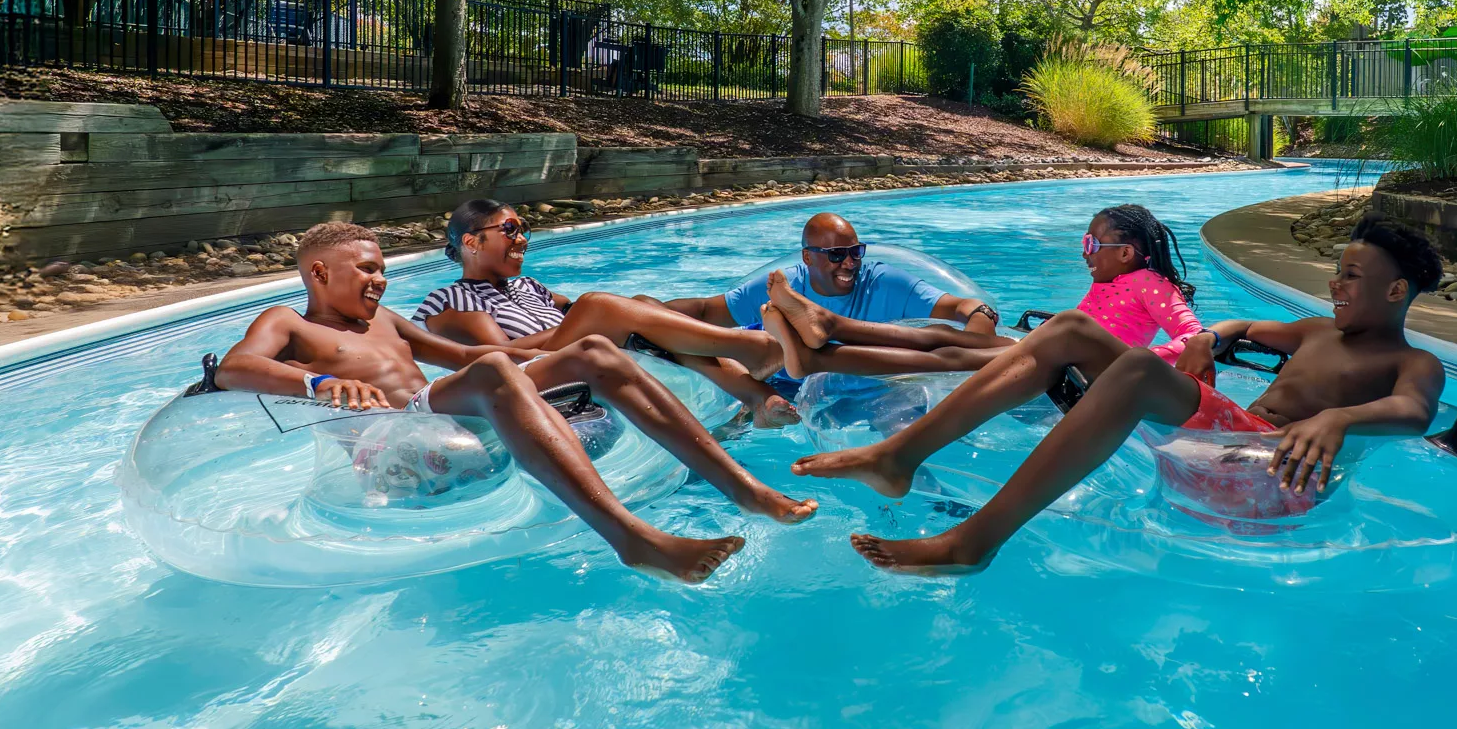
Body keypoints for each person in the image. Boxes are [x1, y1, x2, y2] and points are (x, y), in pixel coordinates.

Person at [791, 213, 1447, 574]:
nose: (1336, 286)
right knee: (1072, 328)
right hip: (1221, 444)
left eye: (1352, 277)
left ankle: (975, 540)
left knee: (1133, 368)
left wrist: (1339, 418)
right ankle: (899, 456)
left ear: (1396, 292)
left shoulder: (1411, 362)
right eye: (1336, 273)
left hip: (1272, 482)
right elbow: (1243, 325)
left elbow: (1413, 414)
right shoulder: (1313, 330)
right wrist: (1211, 338)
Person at [215, 221, 816, 584]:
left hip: (441, 406)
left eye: (383, 271)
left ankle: (743, 488)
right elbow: (236, 368)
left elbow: (470, 361)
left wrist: (580, 337)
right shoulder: (289, 322)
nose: (380, 281)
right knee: (504, 368)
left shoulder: (386, 322)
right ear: (320, 272)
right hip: (389, 438)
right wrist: (317, 384)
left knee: (597, 353)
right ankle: (632, 538)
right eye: (367, 270)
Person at [415, 199, 799, 428]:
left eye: (524, 229)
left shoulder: (530, 286)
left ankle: (756, 395)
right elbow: (502, 360)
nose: (523, 240)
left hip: (581, 352)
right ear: (471, 241)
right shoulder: (453, 301)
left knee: (641, 303)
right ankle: (749, 347)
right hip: (537, 372)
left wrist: (620, 317)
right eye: (511, 230)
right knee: (599, 305)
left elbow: (605, 313)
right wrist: (591, 321)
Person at [760, 202, 1199, 381]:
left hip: (1084, 369)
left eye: (1090, 244)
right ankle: (826, 330)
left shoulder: (1148, 283)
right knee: (937, 335)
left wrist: (1140, 361)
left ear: (1125, 253)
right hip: (1059, 351)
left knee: (945, 356)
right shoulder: (1114, 283)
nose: (1083, 253)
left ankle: (820, 346)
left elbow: (1193, 338)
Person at [656, 211, 1009, 392]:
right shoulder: (784, 284)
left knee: (932, 341)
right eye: (837, 254)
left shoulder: (883, 281)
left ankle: (813, 338)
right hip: (788, 387)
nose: (850, 263)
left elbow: (966, 307)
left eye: (855, 252)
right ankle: (799, 346)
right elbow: (705, 311)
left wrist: (978, 340)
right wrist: (646, 313)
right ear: (808, 258)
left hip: (871, 389)